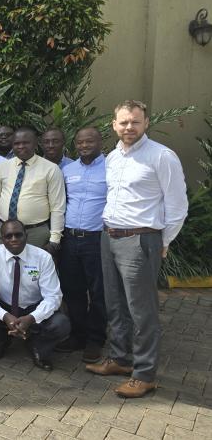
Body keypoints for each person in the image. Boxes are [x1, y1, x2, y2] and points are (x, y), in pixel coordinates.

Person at [86, 100, 188, 398]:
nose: (129, 127)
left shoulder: (161, 156)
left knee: (142, 311)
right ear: (113, 125)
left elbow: (177, 206)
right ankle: (120, 359)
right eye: (123, 122)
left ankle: (144, 374)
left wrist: (163, 241)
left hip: (141, 239)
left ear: (146, 123)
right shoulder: (113, 157)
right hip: (110, 236)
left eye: (135, 122)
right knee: (115, 304)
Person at [0, 220, 70, 371]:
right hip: (4, 305)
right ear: (2, 239)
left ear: (26, 236)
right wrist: (5, 316)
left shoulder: (43, 258)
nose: (14, 239)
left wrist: (32, 318)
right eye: (8, 236)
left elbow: (53, 296)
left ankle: (38, 347)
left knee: (61, 324)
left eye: (18, 235)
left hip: (33, 307)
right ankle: (0, 343)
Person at [57, 127, 107, 363]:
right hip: (70, 238)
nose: (84, 145)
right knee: (73, 290)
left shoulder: (112, 168)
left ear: (100, 142)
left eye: (90, 141)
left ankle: (95, 339)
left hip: (96, 238)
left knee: (98, 291)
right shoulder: (68, 169)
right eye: (80, 142)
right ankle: (78, 335)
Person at [0, 126, 66, 255]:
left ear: (36, 144)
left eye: (25, 143)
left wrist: (55, 239)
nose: (21, 146)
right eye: (17, 143)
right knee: (4, 270)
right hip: (5, 230)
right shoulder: (2, 167)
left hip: (35, 232)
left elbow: (57, 206)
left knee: (34, 273)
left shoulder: (51, 169)